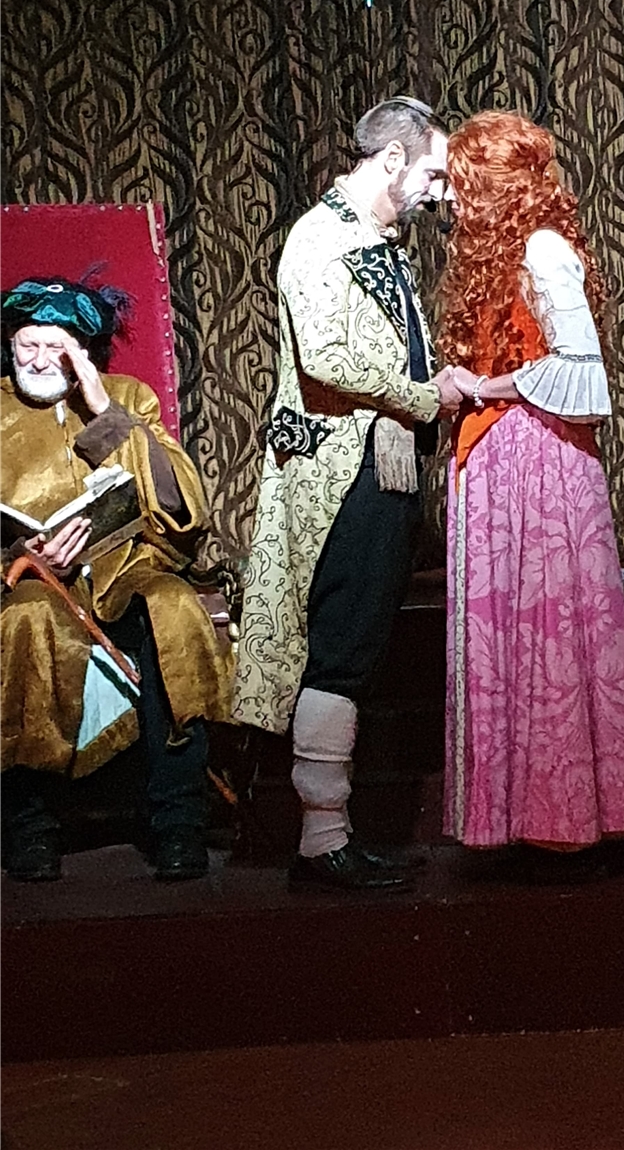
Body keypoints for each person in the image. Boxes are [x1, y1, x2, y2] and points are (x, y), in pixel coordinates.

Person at [231, 96, 462, 892]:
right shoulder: (321, 238)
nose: (438, 190)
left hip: (378, 465)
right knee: (341, 651)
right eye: (432, 173)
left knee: (355, 649)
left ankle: (330, 837)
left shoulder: (374, 241)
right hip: (341, 475)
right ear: (392, 160)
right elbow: (327, 358)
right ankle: (322, 842)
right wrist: (428, 395)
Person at [441, 110, 624, 881]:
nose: (452, 200)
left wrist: (483, 385)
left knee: (551, 637)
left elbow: (581, 373)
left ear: (498, 185)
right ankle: (525, 822)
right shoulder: (500, 257)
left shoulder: (542, 248)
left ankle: (571, 827)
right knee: (514, 639)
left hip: (541, 466)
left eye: (464, 184)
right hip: (502, 462)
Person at [1, 277, 232, 882]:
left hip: (124, 568)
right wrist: (23, 552)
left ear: (84, 350)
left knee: (172, 608)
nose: (39, 361)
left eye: (57, 347)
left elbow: (181, 505)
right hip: (29, 584)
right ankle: (30, 827)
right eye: (28, 345)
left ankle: (178, 822)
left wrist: (106, 411)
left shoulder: (127, 397)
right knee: (29, 619)